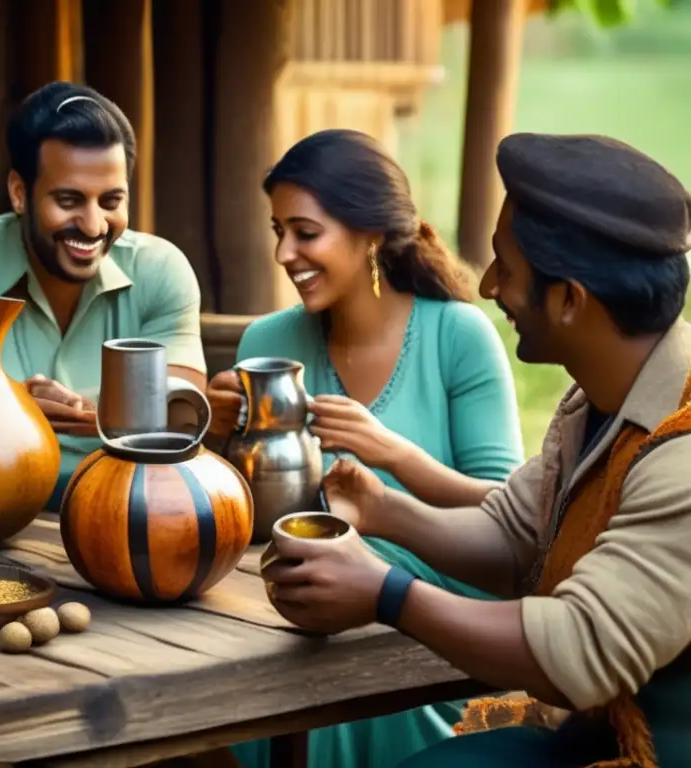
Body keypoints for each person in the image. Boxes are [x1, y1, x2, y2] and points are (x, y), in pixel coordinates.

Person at [262, 132, 691, 768]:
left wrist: (385, 592)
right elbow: (514, 534)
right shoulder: (594, 405)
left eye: (507, 269)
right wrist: (383, 509)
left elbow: (578, 652)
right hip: (589, 736)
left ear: (570, 298)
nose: (487, 286)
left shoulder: (679, 446)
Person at [206, 129, 525, 768]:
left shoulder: (457, 336)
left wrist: (395, 455)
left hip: (440, 610)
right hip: (295, 605)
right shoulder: (268, 343)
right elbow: (254, 521)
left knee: (305, 682)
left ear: (370, 233)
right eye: (278, 231)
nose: (284, 252)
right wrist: (216, 441)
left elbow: (510, 514)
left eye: (305, 232)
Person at [0, 81, 207, 509]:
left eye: (111, 200)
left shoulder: (161, 270)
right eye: (69, 200)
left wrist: (84, 410)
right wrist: (6, 398)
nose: (92, 224)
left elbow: (182, 407)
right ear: (18, 192)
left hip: (121, 509)